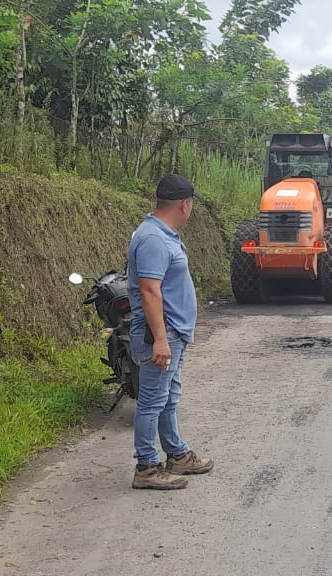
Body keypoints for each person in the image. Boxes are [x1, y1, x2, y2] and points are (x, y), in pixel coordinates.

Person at [126, 174, 214, 491]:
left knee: (167, 398)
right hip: (161, 334)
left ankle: (176, 454)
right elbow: (149, 291)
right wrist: (161, 340)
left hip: (173, 333)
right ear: (185, 204)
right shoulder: (153, 239)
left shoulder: (163, 234)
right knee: (152, 401)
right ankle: (147, 468)